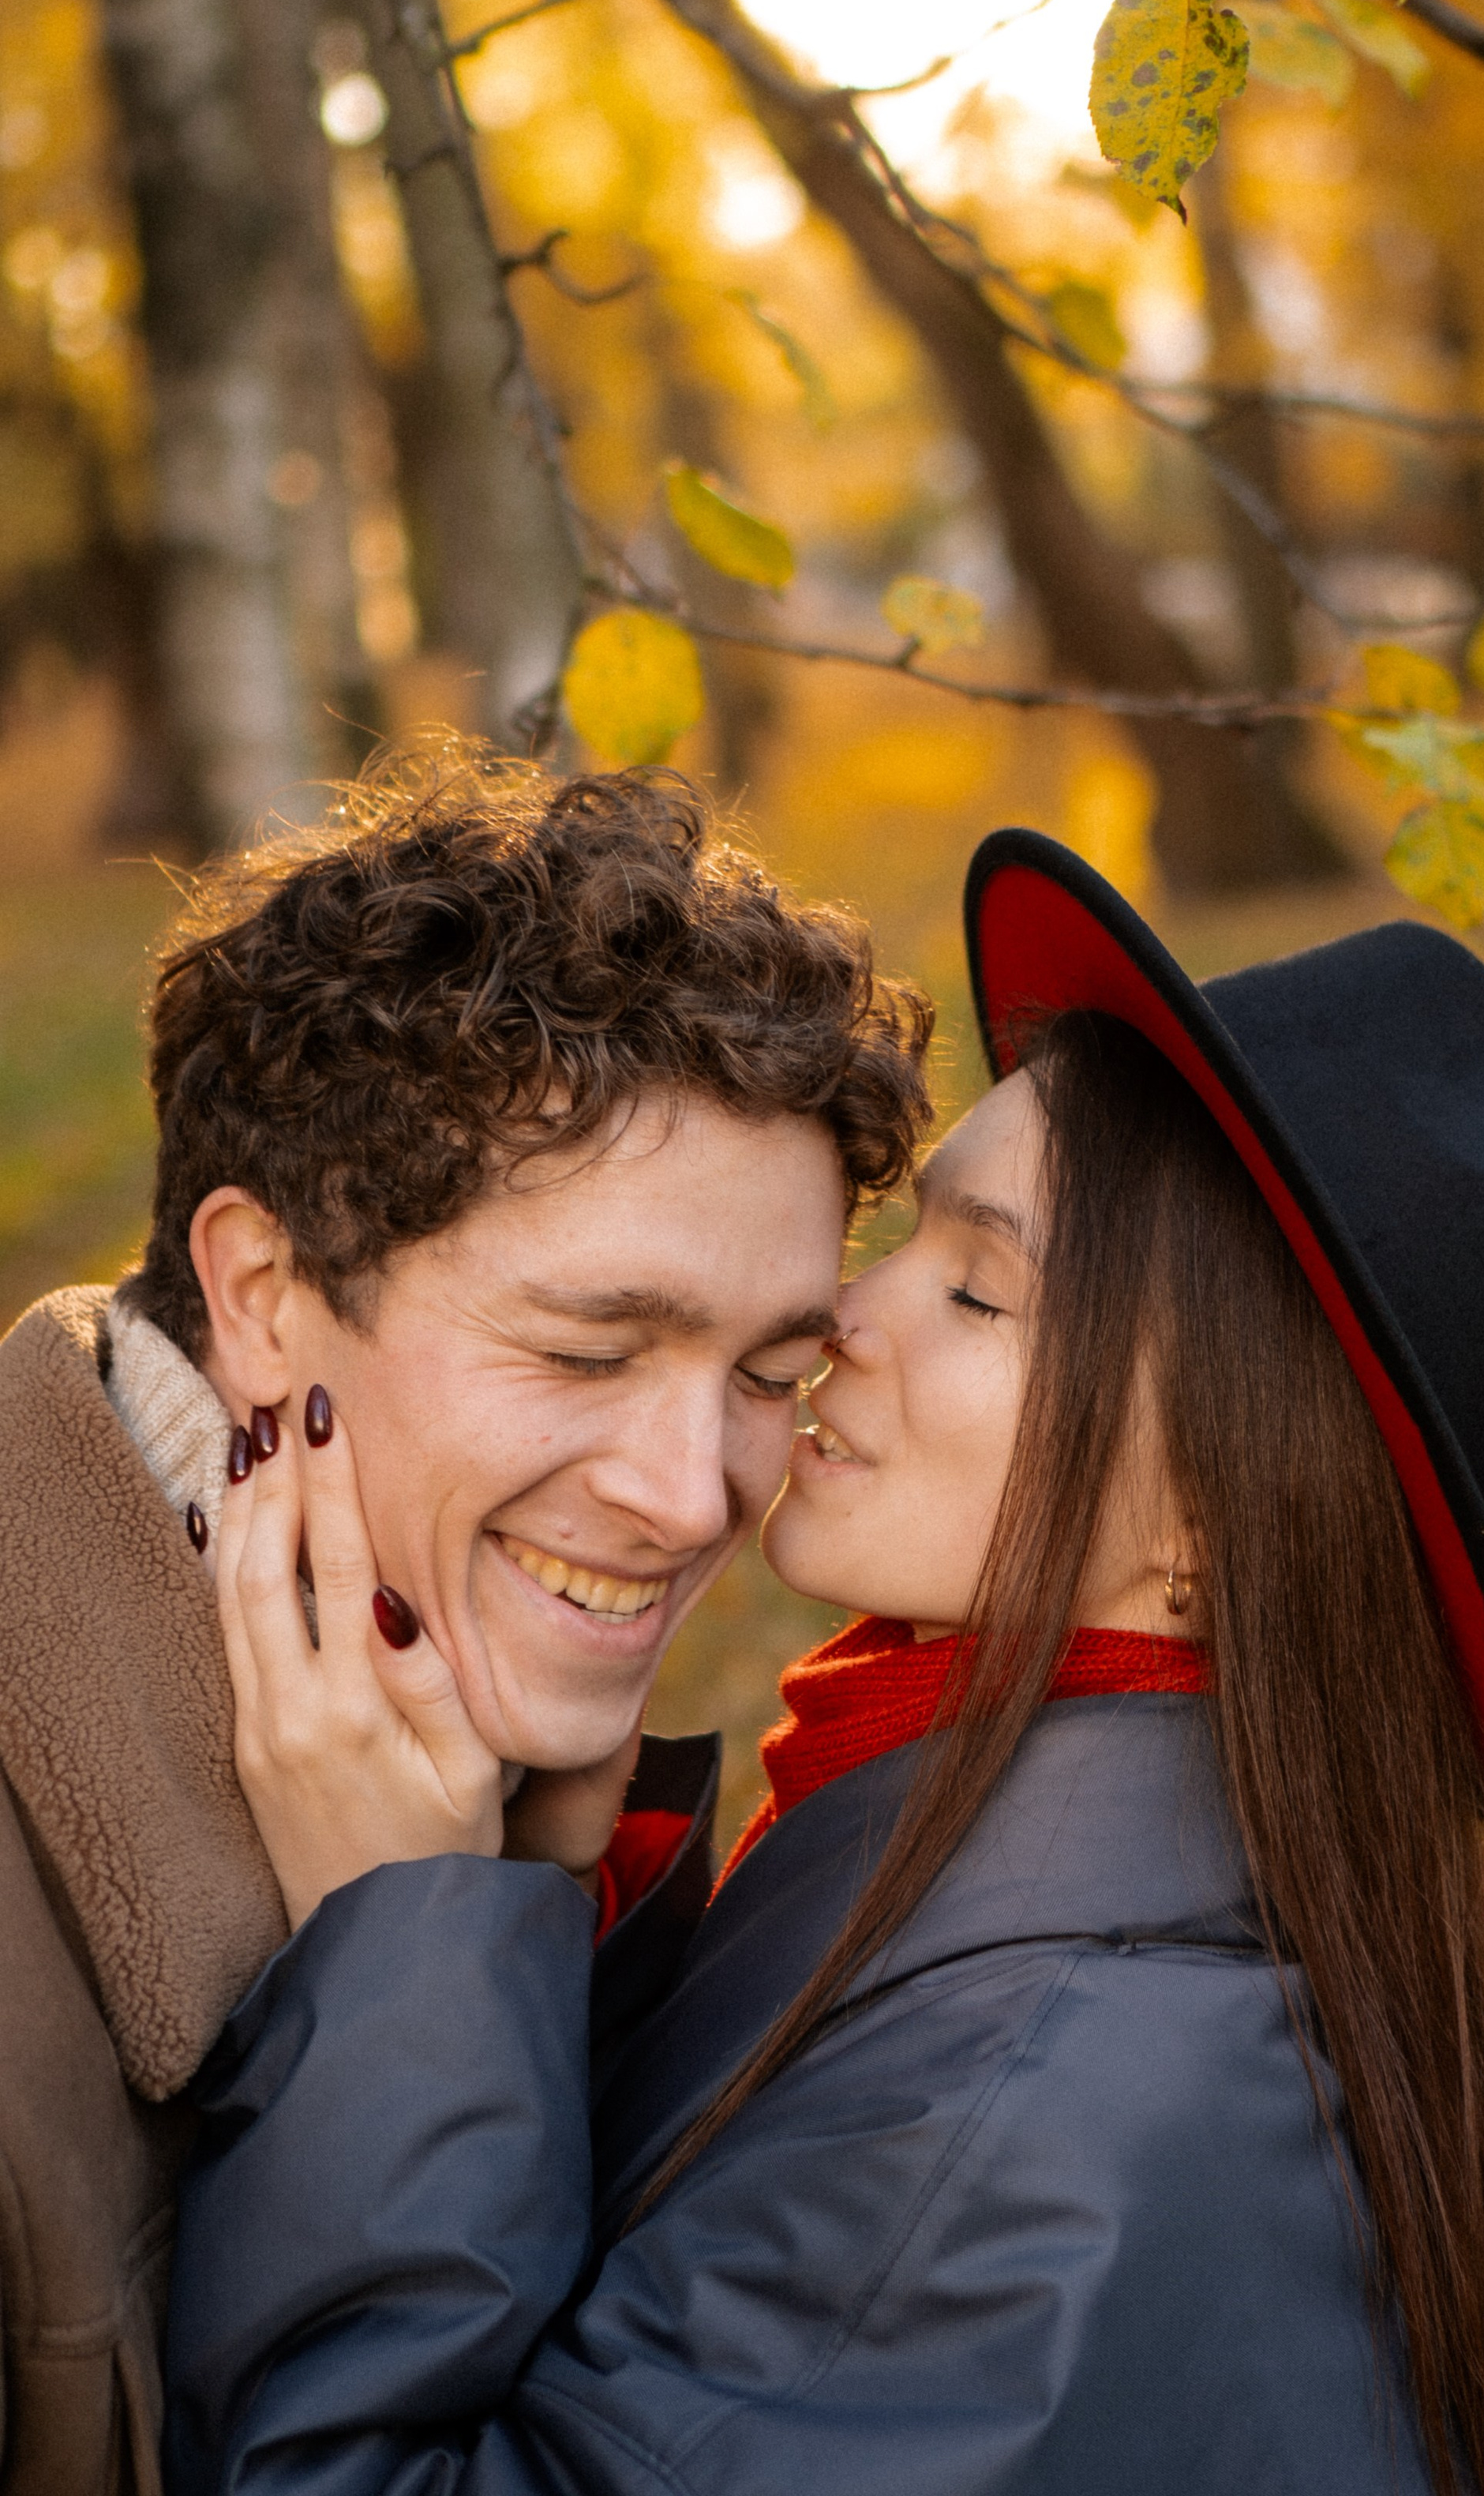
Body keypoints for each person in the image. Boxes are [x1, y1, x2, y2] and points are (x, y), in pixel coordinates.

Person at [163, 828, 1484, 2496]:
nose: (840, 1325)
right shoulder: (1010, 1875)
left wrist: (405, 1958)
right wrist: (553, 1913)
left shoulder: (1036, 2107)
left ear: (1218, 1534)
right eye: (912, 1243)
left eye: (977, 1292)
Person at [0, 745, 930, 2496]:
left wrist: (532, 1924)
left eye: (769, 1372)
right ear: (265, 1297)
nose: (690, 1492)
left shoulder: (519, 1814)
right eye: (586, 1350)